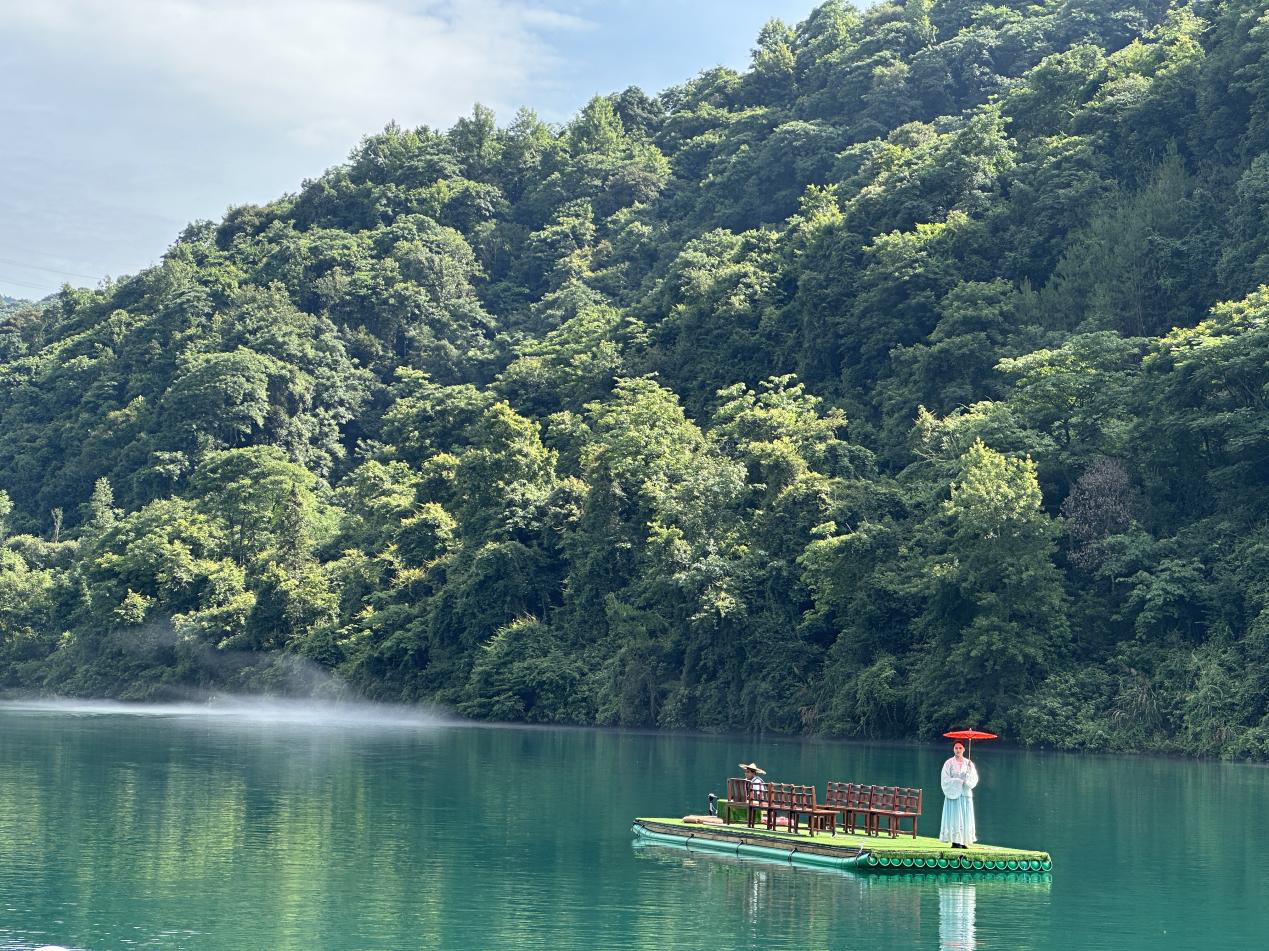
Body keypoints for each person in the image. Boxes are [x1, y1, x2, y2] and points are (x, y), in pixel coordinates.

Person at [940, 742, 978, 848]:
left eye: (960, 748)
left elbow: (974, 779)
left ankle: (964, 841)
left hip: (965, 794)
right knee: (955, 817)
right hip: (953, 795)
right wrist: (957, 780)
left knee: (966, 817)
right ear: (953, 749)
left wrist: (968, 777)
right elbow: (945, 779)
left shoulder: (969, 763)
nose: (958, 750)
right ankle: (955, 841)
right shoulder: (949, 763)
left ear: (964, 749)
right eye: (956, 748)